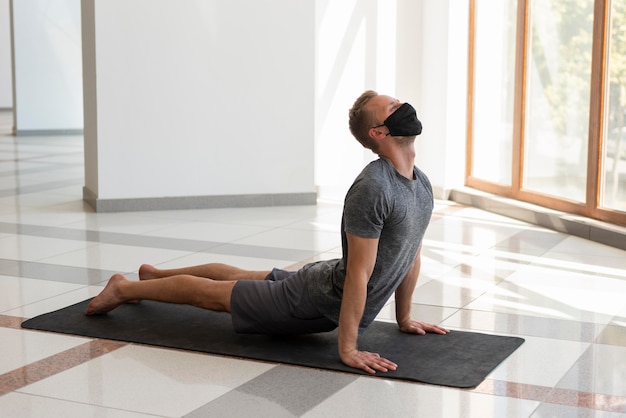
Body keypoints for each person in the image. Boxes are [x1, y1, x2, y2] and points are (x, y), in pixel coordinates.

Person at [86, 90, 450, 374]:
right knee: (216, 295)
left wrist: (403, 318)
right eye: (394, 106)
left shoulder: (421, 184)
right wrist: (348, 348)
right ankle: (126, 288)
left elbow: (411, 255)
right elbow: (360, 272)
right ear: (379, 132)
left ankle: (156, 275)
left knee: (240, 277)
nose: (405, 106)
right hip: (315, 303)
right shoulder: (375, 186)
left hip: (323, 280)